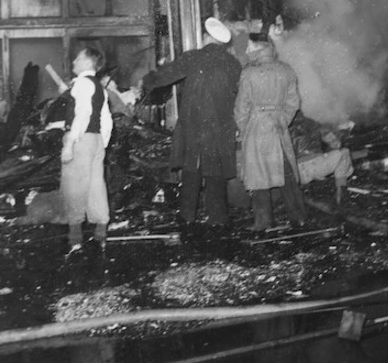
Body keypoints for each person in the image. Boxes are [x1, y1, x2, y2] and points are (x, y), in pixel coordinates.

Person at [142, 17, 242, 226]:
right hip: (220, 128)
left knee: (191, 171)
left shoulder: (192, 58)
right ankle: (218, 219)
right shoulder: (233, 63)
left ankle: (187, 216)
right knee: (216, 174)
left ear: (206, 37)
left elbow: (161, 79)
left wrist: (148, 78)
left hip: (194, 126)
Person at [234, 33, 307, 230]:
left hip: (256, 127)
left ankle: (263, 222)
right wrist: (282, 119)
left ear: (257, 48)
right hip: (278, 127)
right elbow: (294, 102)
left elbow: (241, 107)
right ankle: (298, 217)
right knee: (287, 175)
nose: (247, 51)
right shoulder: (286, 70)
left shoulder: (248, 73)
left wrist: (244, 128)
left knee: (259, 178)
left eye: (250, 47)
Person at [60, 47, 113, 254]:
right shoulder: (100, 87)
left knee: (74, 187)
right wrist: (102, 144)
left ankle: (75, 241)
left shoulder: (81, 83)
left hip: (81, 139)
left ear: (88, 63)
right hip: (97, 139)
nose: (74, 60)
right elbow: (106, 120)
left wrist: (70, 143)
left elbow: (82, 114)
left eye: (78, 57)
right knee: (95, 187)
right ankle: (100, 236)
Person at [290, 111, 354, 205]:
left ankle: (304, 192)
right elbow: (335, 143)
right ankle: (340, 191)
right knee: (344, 152)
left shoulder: (284, 126)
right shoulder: (311, 123)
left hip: (299, 174)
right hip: (317, 166)